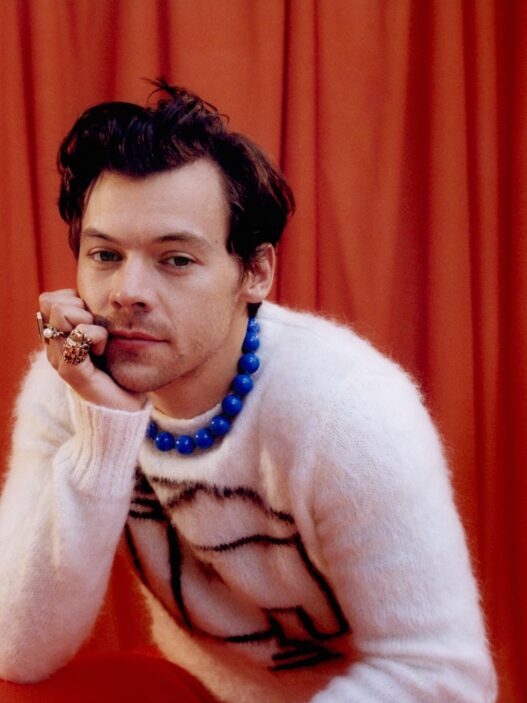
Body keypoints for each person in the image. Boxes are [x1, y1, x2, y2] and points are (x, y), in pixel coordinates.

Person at [0, 80, 497, 702]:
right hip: (196, 685)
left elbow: (442, 677)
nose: (126, 293)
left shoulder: (349, 411)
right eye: (105, 255)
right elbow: (16, 648)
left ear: (255, 272)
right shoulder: (69, 378)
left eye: (176, 259)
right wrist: (101, 429)